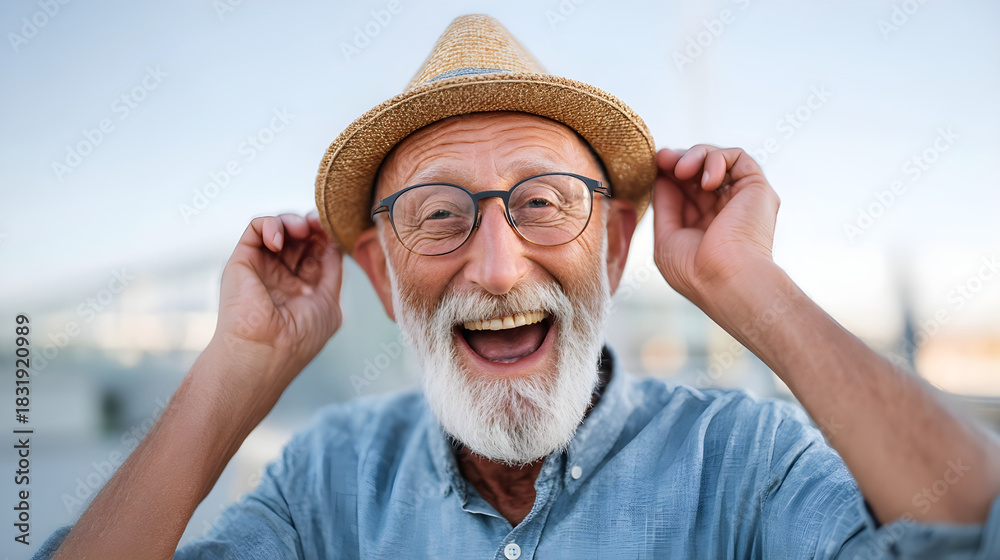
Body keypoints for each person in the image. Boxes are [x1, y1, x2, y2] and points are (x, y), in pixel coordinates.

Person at [37, 14, 1000, 560]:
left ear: (615, 249)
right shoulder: (325, 485)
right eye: (437, 214)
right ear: (380, 273)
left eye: (543, 203)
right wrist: (236, 367)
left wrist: (751, 288)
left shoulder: (746, 462)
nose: (498, 270)